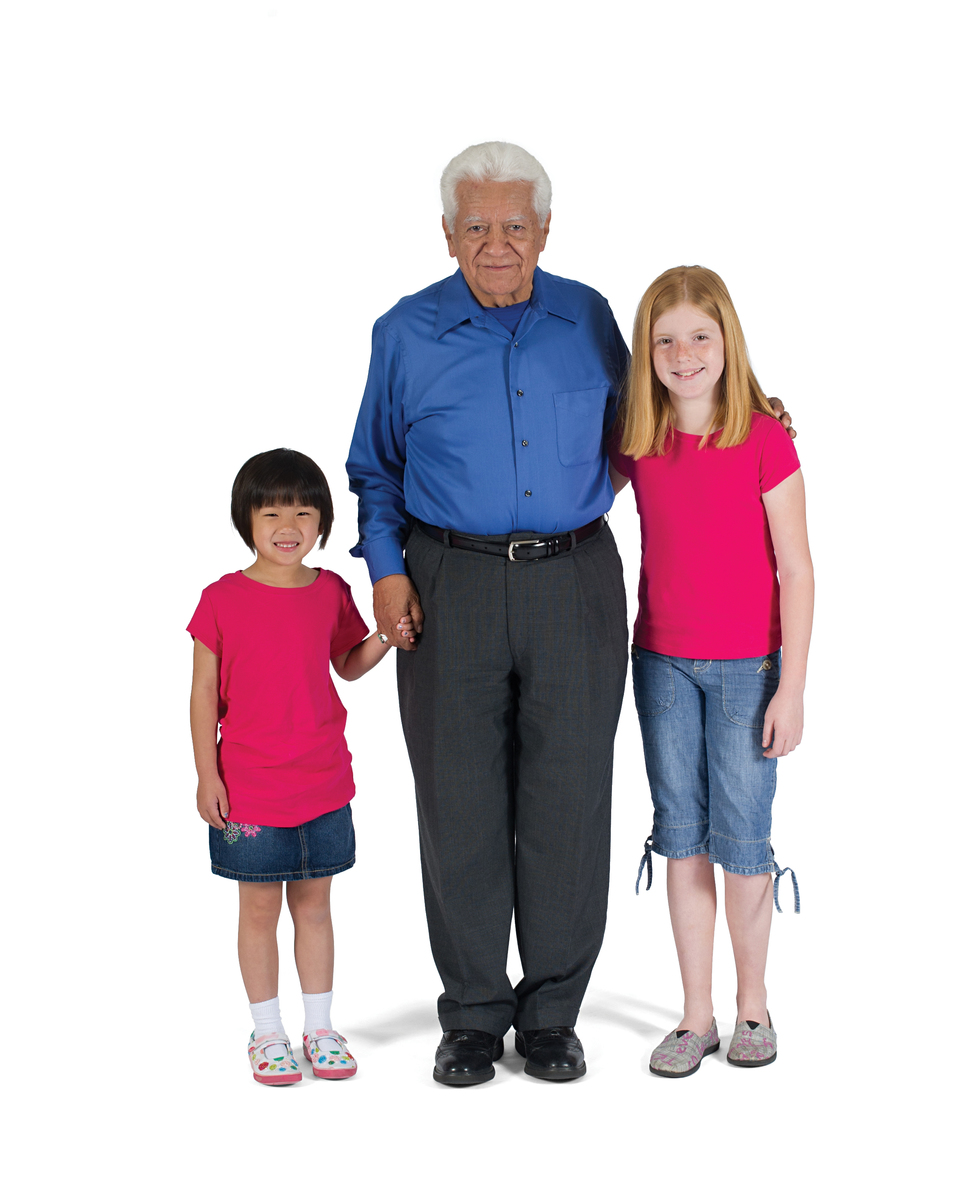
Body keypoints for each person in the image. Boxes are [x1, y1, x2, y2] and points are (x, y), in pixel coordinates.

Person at [347, 142, 631, 1085]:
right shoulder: (405, 333)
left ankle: (551, 1013)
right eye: (477, 227)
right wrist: (386, 573)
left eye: (515, 226)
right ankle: (472, 1012)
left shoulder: (590, 319)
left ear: (545, 230)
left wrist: (754, 419)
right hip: (444, 583)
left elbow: (654, 430)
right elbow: (374, 468)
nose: (497, 244)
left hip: (575, 578)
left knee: (570, 799)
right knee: (458, 800)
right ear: (447, 233)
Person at [609, 266, 813, 1078]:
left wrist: (791, 687)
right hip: (659, 663)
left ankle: (752, 1008)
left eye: (700, 336)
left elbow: (796, 569)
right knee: (682, 838)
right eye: (665, 341)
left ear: (727, 341)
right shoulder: (638, 439)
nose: (684, 354)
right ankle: (696, 1016)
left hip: (746, 671)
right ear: (645, 353)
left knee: (743, 842)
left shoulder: (765, 438)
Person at [188, 448, 407, 1085]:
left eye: (305, 511)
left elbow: (349, 663)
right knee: (257, 910)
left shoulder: (332, 590)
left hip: (323, 781)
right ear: (247, 520)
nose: (290, 523)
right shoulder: (221, 599)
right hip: (249, 790)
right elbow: (203, 693)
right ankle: (267, 1034)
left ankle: (319, 1028)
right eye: (273, 510)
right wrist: (208, 774)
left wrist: (388, 636)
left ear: (322, 523)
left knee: (315, 907)